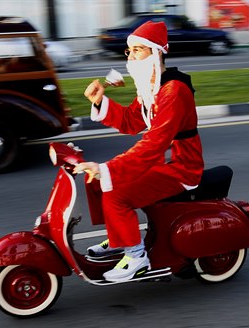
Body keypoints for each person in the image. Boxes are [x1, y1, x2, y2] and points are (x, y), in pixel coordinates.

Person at [74, 21, 204, 282]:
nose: (131, 57)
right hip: (160, 163)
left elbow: (155, 142)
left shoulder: (174, 91)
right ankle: (119, 237)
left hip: (180, 167)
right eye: (129, 51)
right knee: (96, 183)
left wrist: (108, 168)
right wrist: (100, 102)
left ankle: (136, 257)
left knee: (116, 193)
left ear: (156, 52)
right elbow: (133, 121)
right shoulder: (151, 86)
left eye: (138, 50)